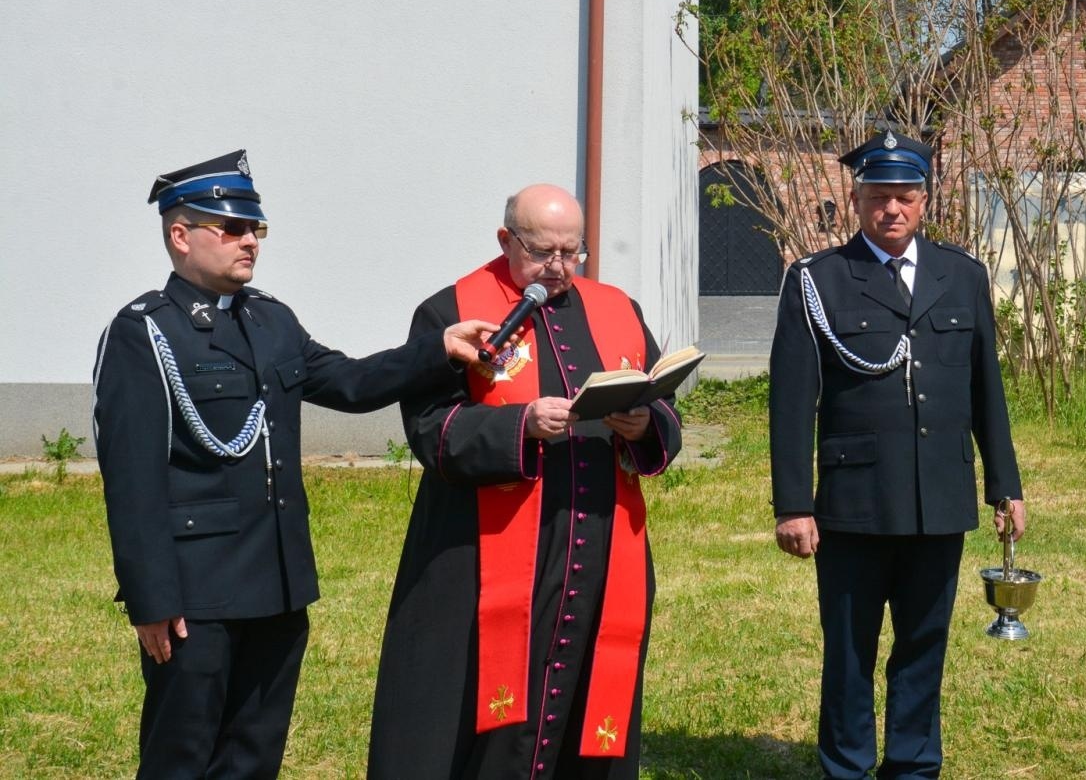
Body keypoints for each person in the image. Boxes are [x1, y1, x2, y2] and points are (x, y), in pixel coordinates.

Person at [92, 149, 495, 780]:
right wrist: (151, 597)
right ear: (180, 235)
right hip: (196, 595)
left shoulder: (272, 321)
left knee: (256, 751)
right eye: (232, 229)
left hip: (276, 583)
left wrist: (436, 350)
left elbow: (352, 383)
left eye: (256, 229)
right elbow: (132, 481)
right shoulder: (144, 333)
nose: (250, 241)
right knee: (182, 754)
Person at [368, 183, 682, 780]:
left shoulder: (616, 306)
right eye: (542, 252)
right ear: (505, 239)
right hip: (485, 555)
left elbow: (664, 410)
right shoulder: (451, 310)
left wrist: (644, 422)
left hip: (595, 546)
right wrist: (523, 423)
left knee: (587, 694)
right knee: (479, 713)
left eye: (573, 251)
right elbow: (431, 430)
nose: (559, 267)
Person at [768, 130, 1026, 780]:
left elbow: (984, 387)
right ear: (857, 200)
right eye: (879, 197)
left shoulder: (961, 276)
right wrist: (795, 504)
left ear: (923, 199)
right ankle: (848, 766)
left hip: (939, 500)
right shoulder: (818, 281)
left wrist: (1005, 483)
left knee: (923, 645)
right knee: (850, 652)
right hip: (856, 505)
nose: (893, 210)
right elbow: (792, 403)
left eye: (905, 197)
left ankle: (913, 766)